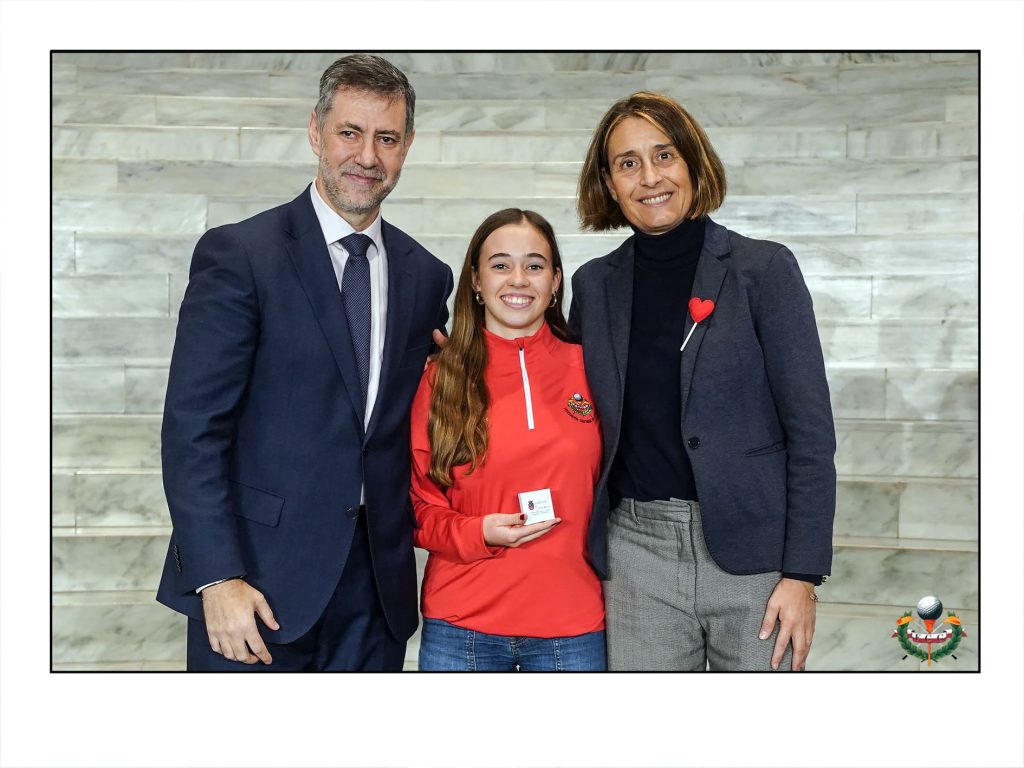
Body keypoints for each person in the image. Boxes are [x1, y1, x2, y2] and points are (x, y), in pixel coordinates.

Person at [156, 54, 454, 671]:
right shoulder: (241, 254)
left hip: (376, 598)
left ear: (407, 146)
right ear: (316, 131)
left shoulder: (426, 275)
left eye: (386, 138)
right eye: (350, 132)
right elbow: (193, 430)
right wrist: (217, 577)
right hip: (254, 590)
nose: (367, 156)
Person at [569, 91, 836, 671]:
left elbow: (811, 434)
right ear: (609, 183)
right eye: (628, 163)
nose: (649, 177)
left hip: (754, 556)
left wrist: (802, 574)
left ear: (693, 162)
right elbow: (562, 389)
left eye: (664, 155)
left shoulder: (763, 270)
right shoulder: (594, 286)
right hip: (636, 557)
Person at [409, 208, 606, 671]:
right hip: (461, 626)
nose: (518, 279)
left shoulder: (594, 368)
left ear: (555, 281)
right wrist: (479, 533)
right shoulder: (439, 378)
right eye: (500, 265)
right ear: (476, 281)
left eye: (534, 265)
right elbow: (418, 507)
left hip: (572, 627)